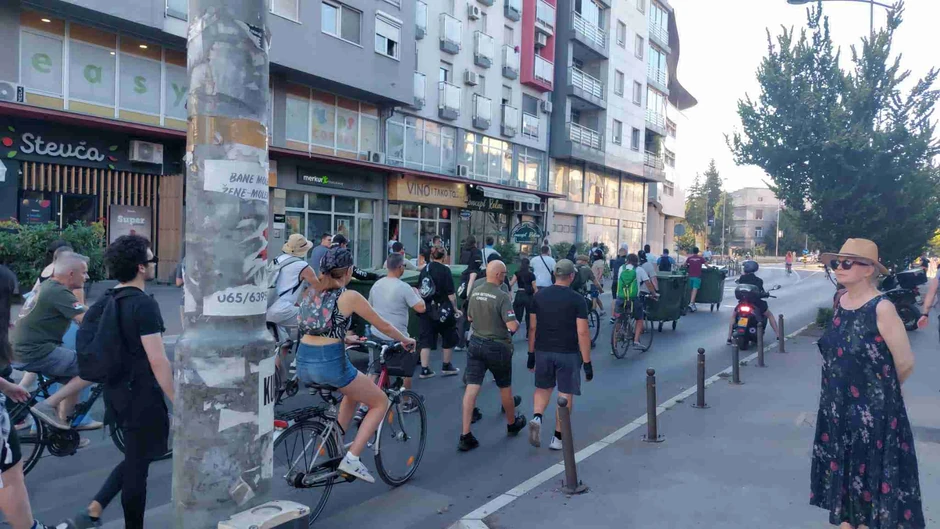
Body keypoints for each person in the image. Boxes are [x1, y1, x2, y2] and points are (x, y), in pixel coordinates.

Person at [810, 239, 924, 528]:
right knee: (847, 493)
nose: (839, 268)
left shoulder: (881, 308)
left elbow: (905, 362)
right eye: (837, 262)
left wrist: (876, 398)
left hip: (872, 417)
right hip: (837, 411)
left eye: (847, 263)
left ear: (868, 270)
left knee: (869, 497)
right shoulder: (841, 301)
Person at [61, 235, 173, 529]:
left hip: (116, 392)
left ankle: (94, 510)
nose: (153, 265)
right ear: (140, 267)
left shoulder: (110, 298)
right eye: (151, 260)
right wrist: (177, 399)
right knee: (139, 468)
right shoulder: (143, 305)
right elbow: (158, 360)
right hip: (141, 396)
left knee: (139, 456)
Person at [295, 247, 416, 484]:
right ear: (349, 270)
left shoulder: (310, 291)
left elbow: (314, 324)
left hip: (303, 360)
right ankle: (351, 459)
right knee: (379, 401)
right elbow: (384, 326)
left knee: (353, 391)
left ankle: (335, 441)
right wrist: (405, 339)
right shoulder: (348, 296)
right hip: (329, 362)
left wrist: (344, 337)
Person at [11, 253, 92, 431]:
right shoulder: (58, 291)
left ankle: (63, 427)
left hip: (21, 349)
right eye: (84, 273)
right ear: (71, 273)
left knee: (73, 377)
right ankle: (47, 406)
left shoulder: (48, 286)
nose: (87, 277)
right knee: (91, 368)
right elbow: (87, 318)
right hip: (34, 351)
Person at [458, 260, 527, 451]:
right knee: (504, 387)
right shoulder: (502, 296)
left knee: (472, 388)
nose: (505, 277)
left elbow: (470, 317)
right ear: (498, 275)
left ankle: (465, 434)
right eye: (504, 274)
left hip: (476, 343)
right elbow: (513, 326)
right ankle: (512, 423)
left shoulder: (476, 291)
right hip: (497, 345)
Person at [527, 259, 592, 450]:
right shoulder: (577, 300)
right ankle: (557, 438)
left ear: (554, 275)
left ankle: (537, 417)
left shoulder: (539, 296)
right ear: (572, 276)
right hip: (568, 352)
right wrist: (587, 363)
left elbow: (532, 327)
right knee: (564, 394)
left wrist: (531, 354)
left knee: (542, 388)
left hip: (543, 350)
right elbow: (583, 332)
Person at [366, 253, 425, 414]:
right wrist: (418, 294)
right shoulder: (404, 287)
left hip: (376, 333)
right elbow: (420, 308)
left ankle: (366, 403)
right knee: (405, 368)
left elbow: (370, 306)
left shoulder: (377, 285)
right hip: (398, 336)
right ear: (400, 267)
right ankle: (406, 401)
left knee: (375, 369)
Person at [417, 247, 461, 379]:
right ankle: (446, 366)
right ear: (444, 257)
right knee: (448, 335)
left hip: (427, 308)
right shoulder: (445, 270)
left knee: (426, 338)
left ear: (431, 256)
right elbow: (451, 294)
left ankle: (425, 369)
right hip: (443, 309)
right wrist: (455, 309)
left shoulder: (425, 269)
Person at [266, 234, 319, 342]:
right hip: (282, 311)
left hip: (267, 308)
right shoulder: (302, 265)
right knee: (316, 323)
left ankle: (282, 355)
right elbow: (319, 287)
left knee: (285, 343)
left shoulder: (277, 260)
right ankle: (303, 356)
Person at [726, 260, 780, 344]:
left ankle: (729, 338)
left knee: (733, 315)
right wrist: (766, 294)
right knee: (769, 315)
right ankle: (778, 335)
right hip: (756, 304)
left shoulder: (742, 278)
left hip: (743, 303)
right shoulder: (758, 280)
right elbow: (761, 292)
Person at [616, 254, 657, 350]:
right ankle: (636, 341)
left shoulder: (621, 268)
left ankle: (614, 345)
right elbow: (648, 283)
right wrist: (653, 293)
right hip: (633, 298)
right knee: (639, 318)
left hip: (621, 297)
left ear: (627, 260)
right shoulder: (639, 270)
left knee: (619, 318)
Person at [455, 237, 483, 352]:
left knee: (463, 318)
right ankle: (469, 341)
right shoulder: (476, 254)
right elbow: (473, 277)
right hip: (471, 291)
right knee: (473, 318)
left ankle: (460, 342)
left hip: (464, 285)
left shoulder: (464, 252)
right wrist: (468, 295)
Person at [509, 258, 537, 338]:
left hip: (519, 294)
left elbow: (510, 284)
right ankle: (529, 334)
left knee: (517, 316)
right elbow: (535, 288)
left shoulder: (517, 273)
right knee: (529, 316)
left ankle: (511, 333)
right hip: (529, 296)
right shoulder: (531, 275)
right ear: (528, 265)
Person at [608, 248, 628, 324]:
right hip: (623, 282)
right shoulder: (626, 261)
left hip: (615, 281)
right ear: (626, 253)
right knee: (625, 298)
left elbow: (613, 271)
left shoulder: (615, 261)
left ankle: (612, 317)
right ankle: (623, 314)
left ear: (619, 253)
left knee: (614, 299)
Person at [683, 247, 707, 312]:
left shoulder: (689, 258)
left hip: (690, 276)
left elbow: (684, 265)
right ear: (698, 251)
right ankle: (691, 303)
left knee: (690, 290)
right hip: (697, 276)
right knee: (695, 289)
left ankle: (691, 303)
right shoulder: (701, 258)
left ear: (692, 251)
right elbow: (707, 265)